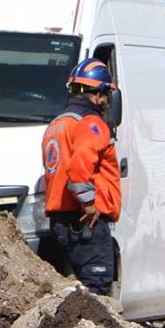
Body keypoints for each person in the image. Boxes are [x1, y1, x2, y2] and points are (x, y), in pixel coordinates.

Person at [41, 58, 121, 296]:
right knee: (95, 289)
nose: (107, 102)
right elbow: (79, 168)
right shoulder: (90, 124)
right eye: (106, 94)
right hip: (85, 221)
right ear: (98, 94)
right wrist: (88, 204)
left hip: (61, 220)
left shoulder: (58, 123)